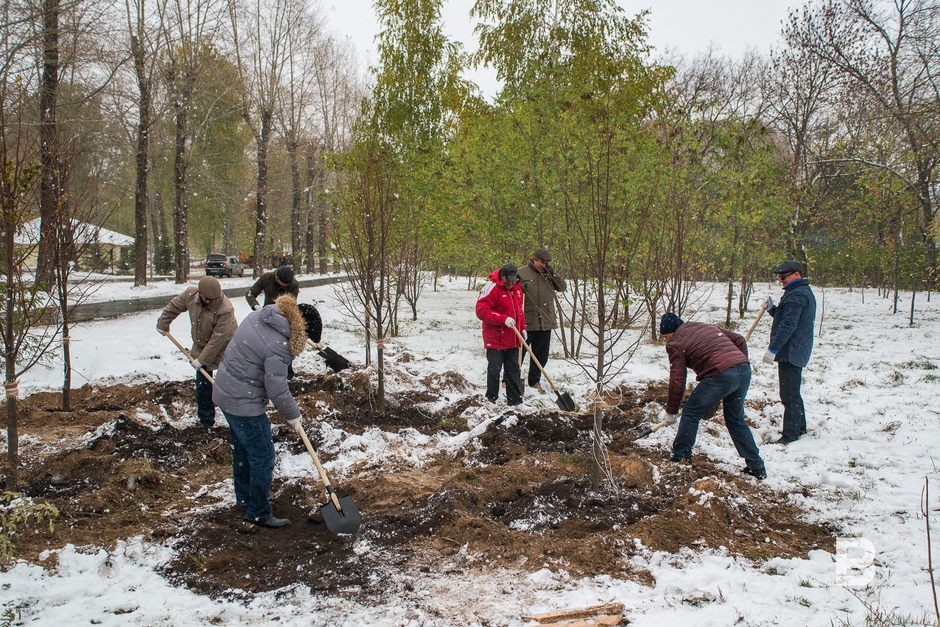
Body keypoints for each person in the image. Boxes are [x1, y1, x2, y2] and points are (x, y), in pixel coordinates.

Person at [211, 294, 320, 528]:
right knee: (263, 455)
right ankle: (258, 511)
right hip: (242, 400)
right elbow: (276, 387)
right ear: (302, 330)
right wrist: (293, 415)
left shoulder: (262, 316)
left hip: (227, 390)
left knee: (244, 448)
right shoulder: (279, 346)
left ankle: (245, 498)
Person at [660, 312, 766, 480]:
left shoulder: (676, 343)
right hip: (743, 370)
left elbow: (677, 381)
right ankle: (756, 466)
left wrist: (671, 412)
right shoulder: (704, 326)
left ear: (671, 332)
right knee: (735, 419)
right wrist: (739, 363)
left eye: (666, 337)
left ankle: (681, 455)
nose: (667, 341)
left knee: (690, 412)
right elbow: (739, 339)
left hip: (720, 374)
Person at [156, 276, 237, 428]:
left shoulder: (226, 309)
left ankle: (237, 415)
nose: (213, 303)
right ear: (200, 294)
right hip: (201, 344)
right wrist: (163, 323)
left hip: (226, 346)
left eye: (215, 299)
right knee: (203, 384)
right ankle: (206, 420)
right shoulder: (190, 295)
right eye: (209, 300)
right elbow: (174, 307)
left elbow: (217, 339)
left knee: (228, 382)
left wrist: (201, 360)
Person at [763, 259, 817, 444]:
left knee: (788, 394)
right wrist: (773, 310)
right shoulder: (798, 292)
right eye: (780, 277)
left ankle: (790, 434)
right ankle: (799, 427)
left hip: (792, 351)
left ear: (796, 275)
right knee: (793, 391)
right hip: (796, 349)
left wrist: (773, 349)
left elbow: (788, 325)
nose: (781, 280)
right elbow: (786, 316)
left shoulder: (797, 295)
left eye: (784, 277)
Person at [476, 263, 527, 406]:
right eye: (508, 282)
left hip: (513, 337)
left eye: (513, 281)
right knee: (494, 369)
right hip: (495, 337)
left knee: (513, 370)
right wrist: (502, 319)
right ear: (502, 277)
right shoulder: (491, 288)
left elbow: (519, 311)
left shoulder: (517, 288)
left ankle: (515, 400)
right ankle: (491, 398)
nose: (511, 285)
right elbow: (481, 311)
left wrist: (522, 327)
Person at [517, 247, 566, 392]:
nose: (544, 265)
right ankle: (510, 379)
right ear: (535, 259)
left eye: (547, 262)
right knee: (519, 353)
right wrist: (520, 289)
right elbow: (510, 289)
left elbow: (562, 287)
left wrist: (553, 274)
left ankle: (534, 381)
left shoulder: (549, 274)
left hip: (545, 321)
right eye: (542, 262)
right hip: (527, 320)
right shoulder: (521, 272)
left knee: (541, 355)